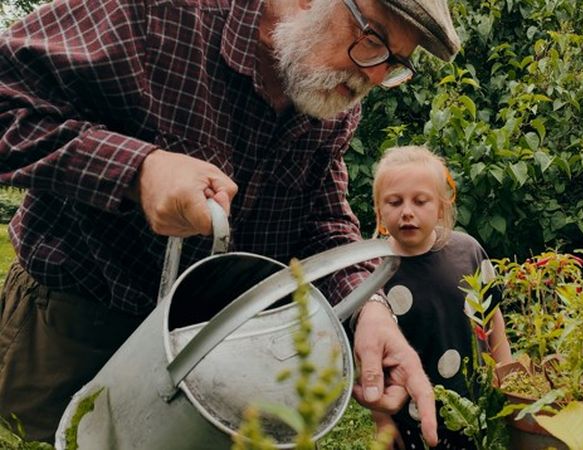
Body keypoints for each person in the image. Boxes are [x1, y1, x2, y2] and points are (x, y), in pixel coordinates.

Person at [0, 0, 462, 444]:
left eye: (395, 62)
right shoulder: (158, 14)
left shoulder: (330, 95)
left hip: (212, 351)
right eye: (373, 38)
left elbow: (320, 218)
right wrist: (139, 170)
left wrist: (368, 309)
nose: (375, 74)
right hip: (72, 325)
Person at [369, 145, 512, 449]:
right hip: (407, 418)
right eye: (394, 202)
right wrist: (381, 419)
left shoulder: (468, 252)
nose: (407, 211)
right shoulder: (373, 271)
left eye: (420, 201)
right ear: (379, 210)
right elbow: (369, 356)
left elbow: (493, 317)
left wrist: (505, 374)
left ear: (442, 207)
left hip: (473, 407)